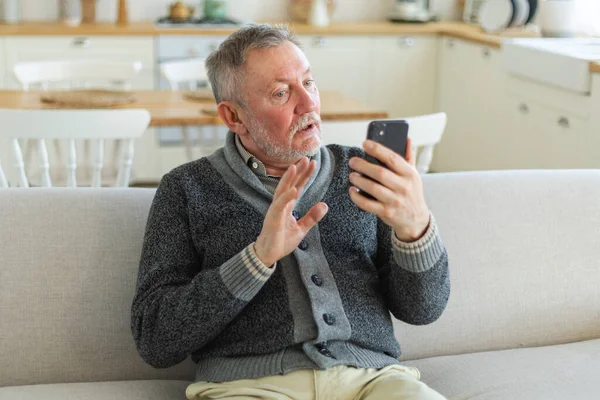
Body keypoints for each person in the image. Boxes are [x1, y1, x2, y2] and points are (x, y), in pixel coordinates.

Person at [131, 23, 450, 400]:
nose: (309, 103)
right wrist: (258, 257)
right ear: (234, 117)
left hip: (374, 380)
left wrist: (415, 230)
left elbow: (423, 310)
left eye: (309, 83)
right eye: (282, 93)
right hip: (249, 387)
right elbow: (155, 339)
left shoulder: (363, 172)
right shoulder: (185, 189)